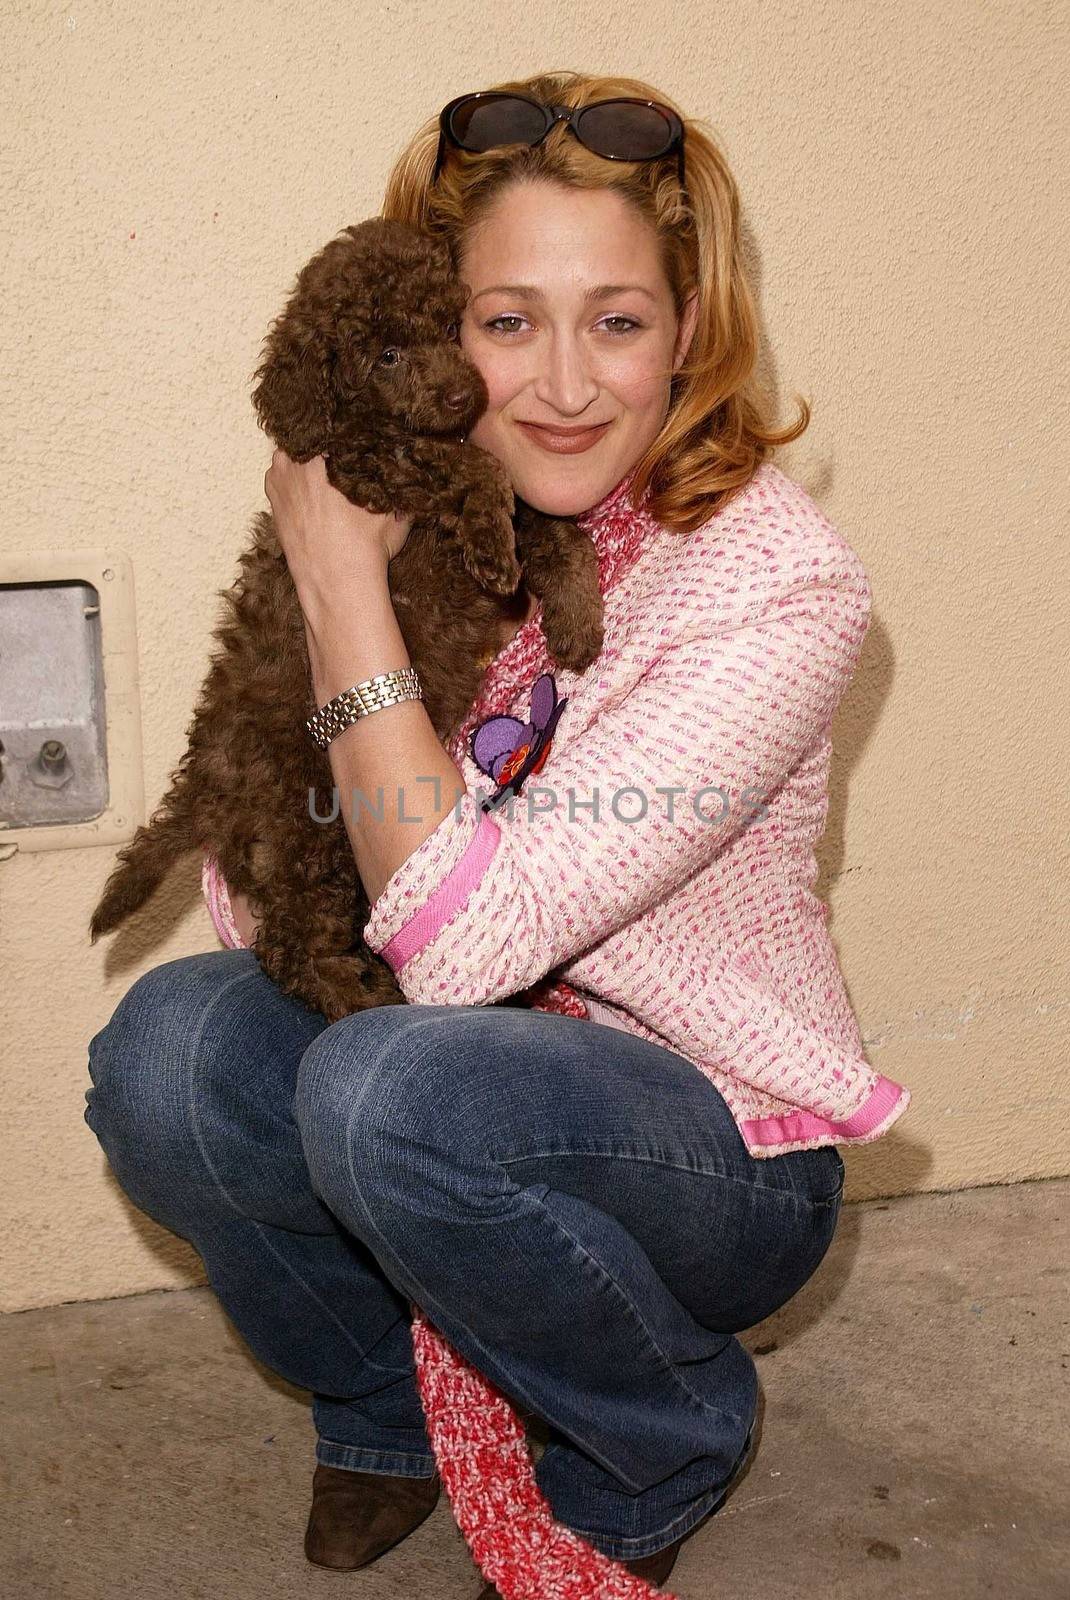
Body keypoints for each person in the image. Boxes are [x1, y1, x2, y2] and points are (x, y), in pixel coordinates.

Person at [85, 69, 910, 1600]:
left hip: (708, 1144)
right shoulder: (418, 510)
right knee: (171, 1056)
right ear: (424, 332)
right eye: (504, 319)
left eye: (616, 320)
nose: (562, 386)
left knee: (393, 1081)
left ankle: (657, 1431)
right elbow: (273, 903)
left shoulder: (772, 587)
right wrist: (347, 586)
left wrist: (343, 602)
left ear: (691, 333)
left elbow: (458, 957)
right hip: (436, 1069)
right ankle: (381, 1408)